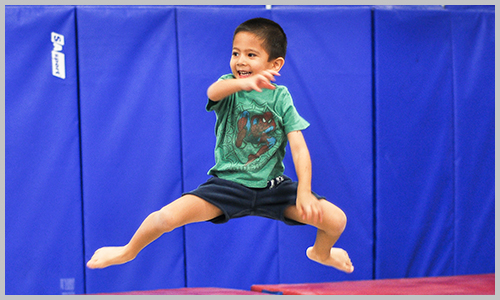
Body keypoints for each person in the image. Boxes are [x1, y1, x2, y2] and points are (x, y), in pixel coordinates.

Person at [87, 17, 353, 274]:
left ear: (275, 64)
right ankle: (128, 251)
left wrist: (304, 192)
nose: (240, 60)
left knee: (336, 220)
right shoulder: (229, 86)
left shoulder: (281, 97)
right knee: (166, 218)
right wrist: (243, 83)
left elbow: (299, 148)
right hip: (228, 185)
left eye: (251, 55)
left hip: (274, 188)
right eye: (236, 53)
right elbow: (212, 92)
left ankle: (321, 253)